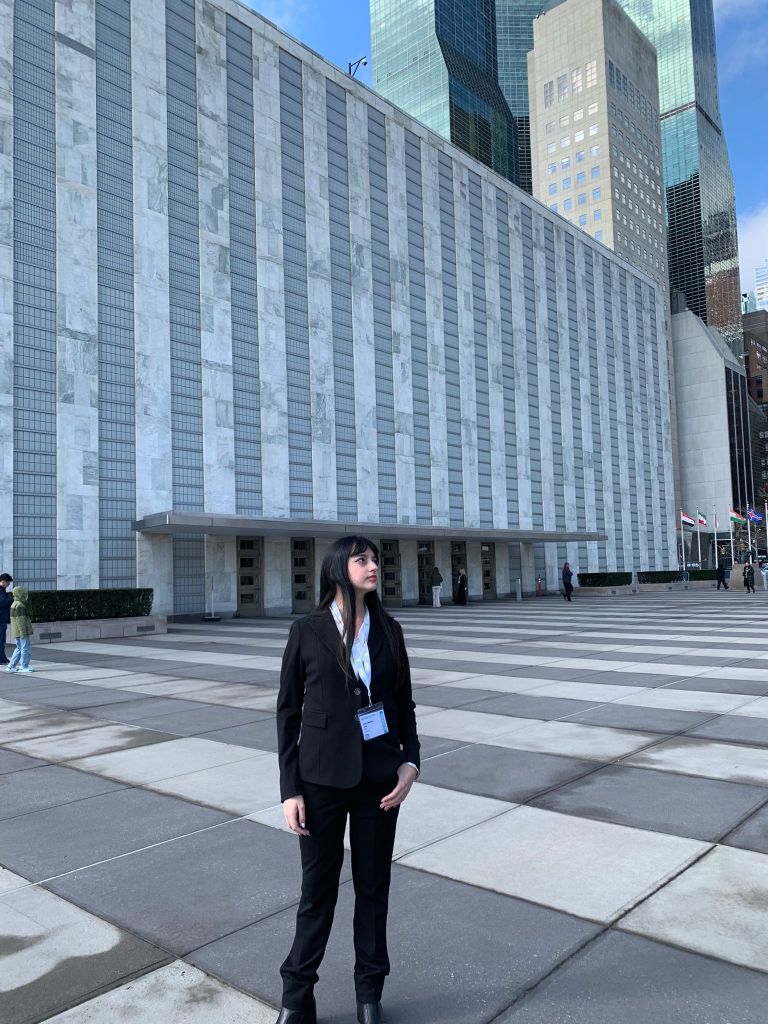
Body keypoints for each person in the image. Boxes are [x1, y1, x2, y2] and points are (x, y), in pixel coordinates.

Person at [276, 536, 420, 1024]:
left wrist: (411, 762)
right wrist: (290, 789)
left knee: (373, 889)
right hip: (320, 780)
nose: (373, 566)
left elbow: (403, 703)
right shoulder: (307, 630)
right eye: (362, 559)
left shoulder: (389, 630)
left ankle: (369, 994)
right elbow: (287, 713)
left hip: (379, 781)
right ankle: (297, 997)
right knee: (317, 892)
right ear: (339, 568)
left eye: (375, 559)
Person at [6, 585, 34, 673]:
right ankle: (24, 666)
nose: (26, 596)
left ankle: (11, 666)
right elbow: (20, 620)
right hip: (21, 632)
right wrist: (23, 632)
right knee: (25, 648)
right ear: (21, 594)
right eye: (24, 594)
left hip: (16, 631)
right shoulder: (20, 605)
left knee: (19, 648)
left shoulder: (14, 604)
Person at [0, 573, 13, 665]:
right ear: (3, 582)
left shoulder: (2, 590)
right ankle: (1, 659)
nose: (8, 585)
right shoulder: (1, 591)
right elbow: (2, 602)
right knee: (1, 640)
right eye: (8, 583)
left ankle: (3, 658)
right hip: (1, 619)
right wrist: (12, 599)